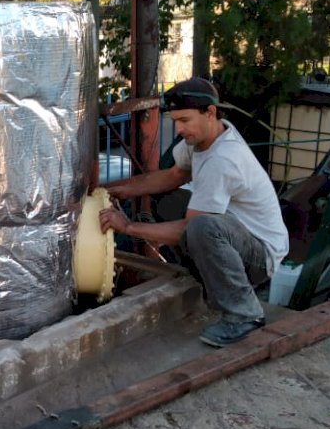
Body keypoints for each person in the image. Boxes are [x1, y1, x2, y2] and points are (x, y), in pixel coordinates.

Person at [98, 77, 289, 347]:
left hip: (261, 256)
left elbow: (191, 227)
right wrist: (119, 189)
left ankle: (245, 314)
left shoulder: (222, 159)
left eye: (185, 120)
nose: (178, 128)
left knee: (201, 228)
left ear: (210, 113)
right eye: (176, 120)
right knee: (171, 201)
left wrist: (128, 227)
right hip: (238, 236)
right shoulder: (204, 138)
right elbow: (173, 175)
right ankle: (207, 278)